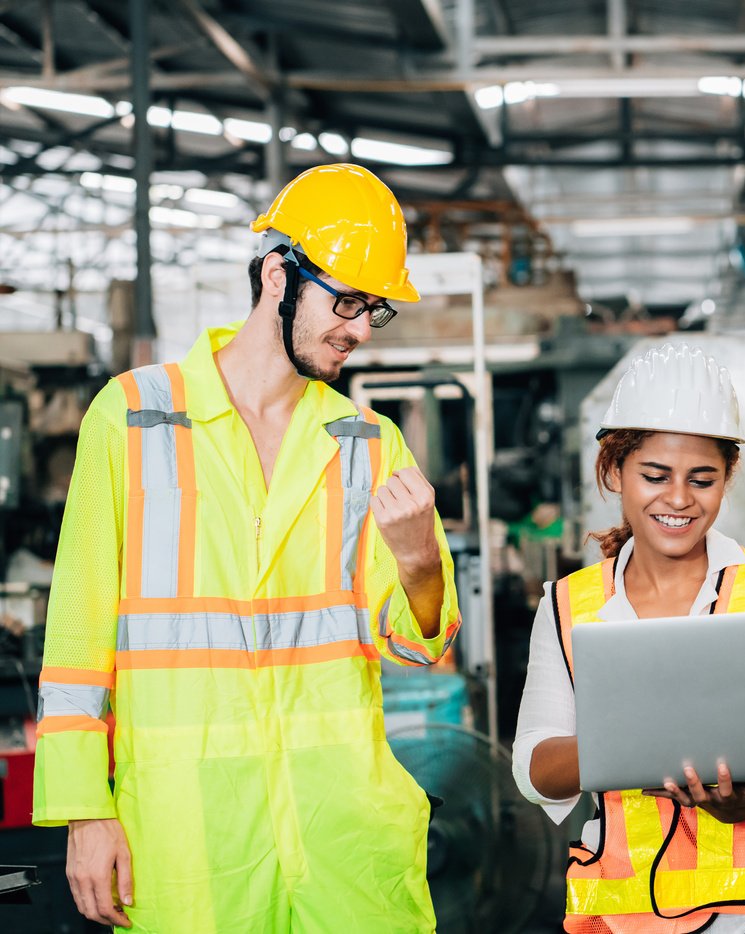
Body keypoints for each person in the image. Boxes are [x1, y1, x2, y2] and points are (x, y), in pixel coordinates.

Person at [33, 163, 461, 932]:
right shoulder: (133, 418)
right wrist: (83, 809)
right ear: (277, 276)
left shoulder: (368, 445)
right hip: (192, 837)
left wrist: (420, 561)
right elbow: (76, 639)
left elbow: (418, 646)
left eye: (375, 309)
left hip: (342, 839)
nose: (362, 329)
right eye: (348, 301)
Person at [512, 343, 745, 933]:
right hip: (619, 917)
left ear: (727, 478)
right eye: (655, 476)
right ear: (614, 472)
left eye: (702, 479)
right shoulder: (568, 605)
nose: (679, 499)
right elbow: (534, 771)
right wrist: (634, 740)